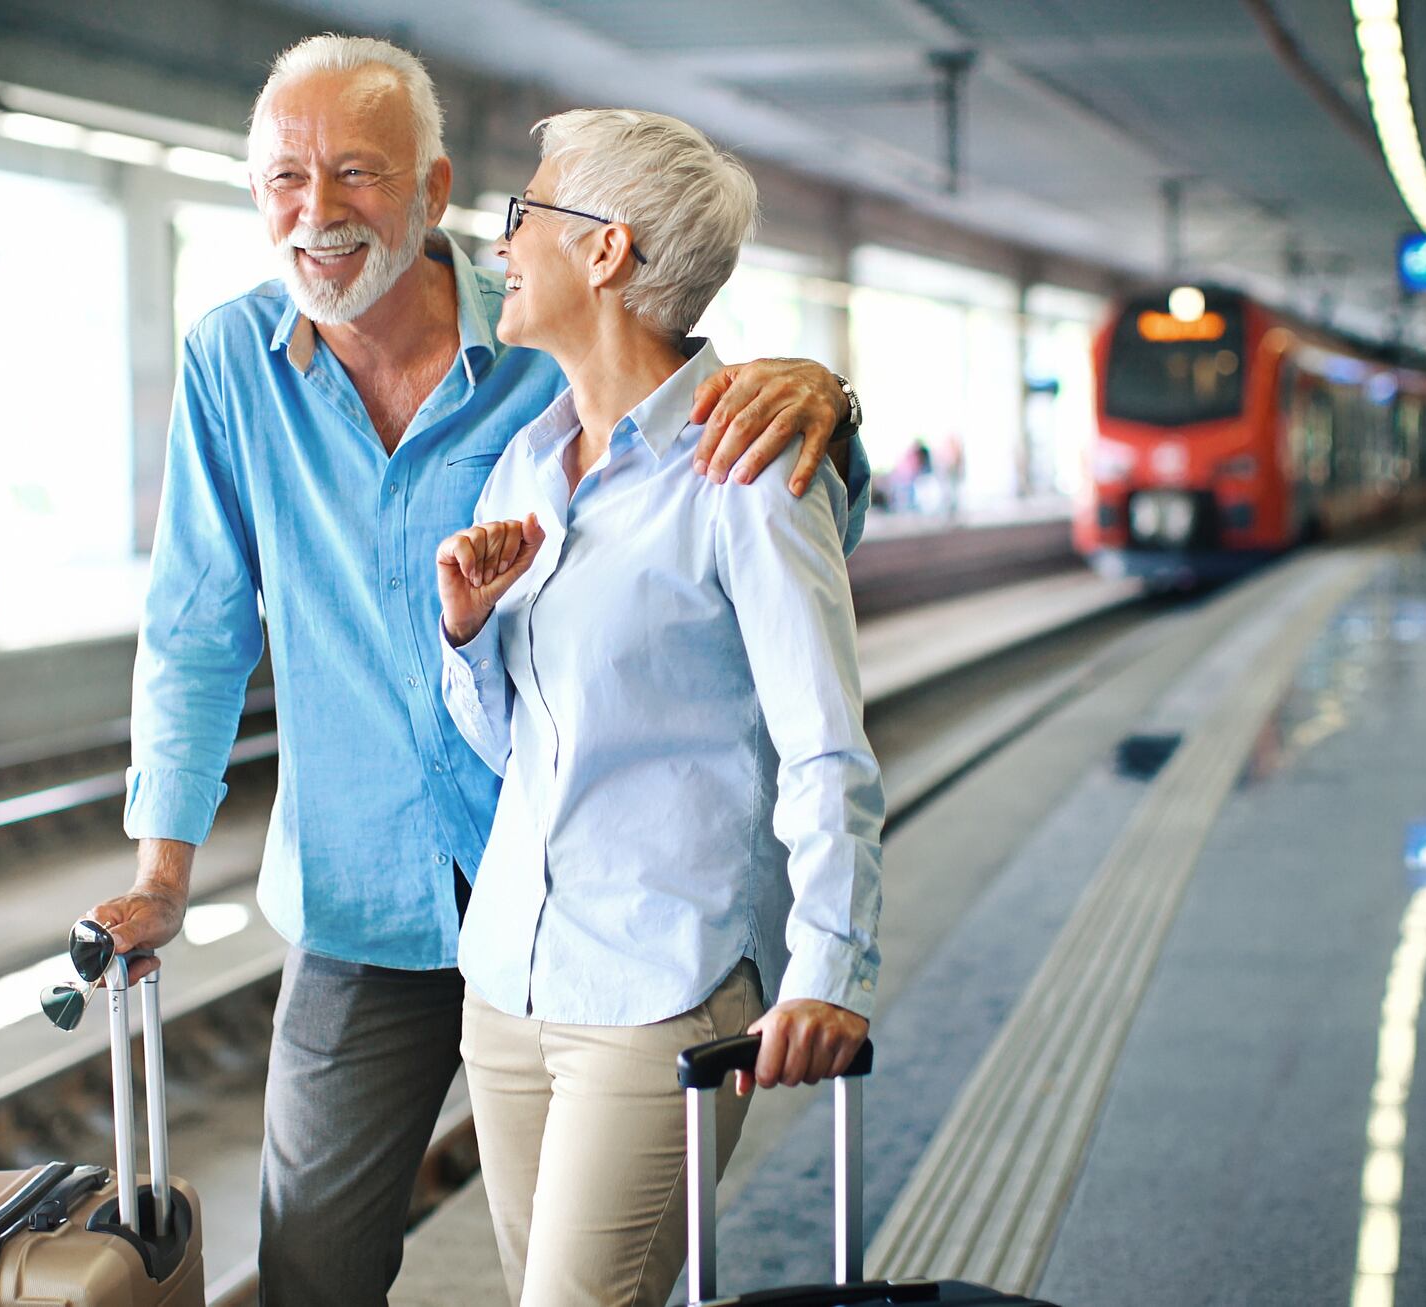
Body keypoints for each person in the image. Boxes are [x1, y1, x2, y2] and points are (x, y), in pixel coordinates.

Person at [82, 35, 865, 1307]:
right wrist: (161, 870)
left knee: (577, 1280)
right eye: (286, 178)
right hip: (362, 895)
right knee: (312, 1273)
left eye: (356, 174)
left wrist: (827, 398)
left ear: (433, 190)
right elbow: (197, 624)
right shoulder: (233, 363)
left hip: (583, 892)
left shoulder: (547, 343)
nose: (318, 212)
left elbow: (725, 494)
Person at [435, 109, 881, 1307]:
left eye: (528, 213)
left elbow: (825, 739)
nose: (504, 240)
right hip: (511, 987)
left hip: (659, 990)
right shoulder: (527, 464)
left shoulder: (748, 467)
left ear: (606, 252)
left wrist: (830, 966)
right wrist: (472, 632)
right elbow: (512, 747)